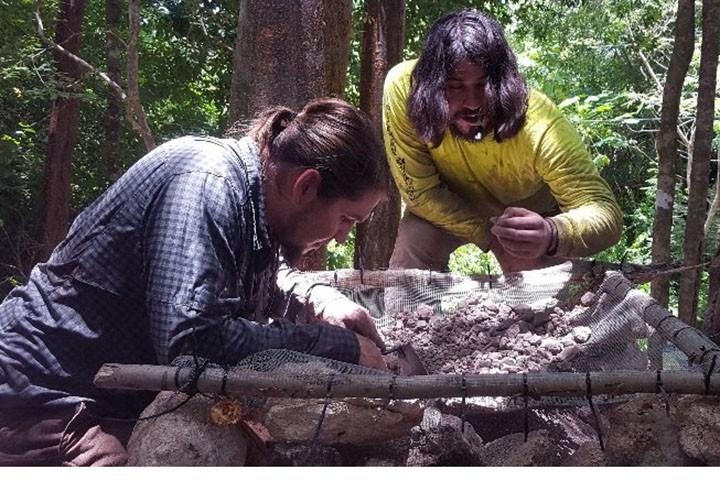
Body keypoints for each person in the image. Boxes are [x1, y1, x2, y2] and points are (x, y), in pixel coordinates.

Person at [0, 97, 391, 466]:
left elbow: (259, 276)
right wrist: (336, 346)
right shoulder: (207, 183)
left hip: (107, 395)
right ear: (305, 186)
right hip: (38, 395)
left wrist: (319, 300)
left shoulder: (250, 198)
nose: (342, 238)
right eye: (347, 220)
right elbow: (191, 342)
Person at [382, 9, 622, 274]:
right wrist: (490, 237)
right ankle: (408, 317)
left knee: (544, 300)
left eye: (483, 85)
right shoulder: (404, 90)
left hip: (530, 223)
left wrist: (552, 233)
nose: (472, 103)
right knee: (410, 253)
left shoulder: (539, 124)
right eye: (455, 87)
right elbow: (421, 193)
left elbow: (604, 213)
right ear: (430, 87)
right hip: (445, 205)